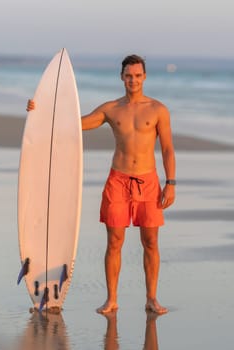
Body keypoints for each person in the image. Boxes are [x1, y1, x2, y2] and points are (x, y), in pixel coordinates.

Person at [27, 54, 176, 315]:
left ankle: (152, 298)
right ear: (122, 77)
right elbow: (75, 123)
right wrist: (39, 111)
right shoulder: (111, 109)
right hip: (118, 180)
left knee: (150, 241)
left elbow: (167, 150)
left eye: (138, 75)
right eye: (128, 75)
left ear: (145, 77)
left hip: (149, 182)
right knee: (114, 241)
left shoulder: (158, 110)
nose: (133, 80)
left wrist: (170, 182)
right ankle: (112, 300)